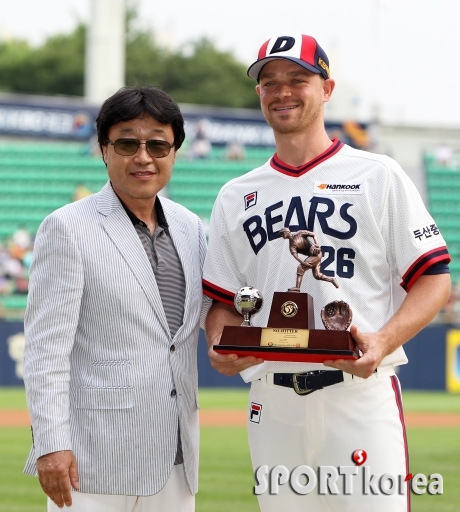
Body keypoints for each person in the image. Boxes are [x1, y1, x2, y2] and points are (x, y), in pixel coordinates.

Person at [202, 32, 451, 511]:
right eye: (269, 82)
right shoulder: (236, 194)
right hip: (271, 399)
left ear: (327, 89)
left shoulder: (378, 175)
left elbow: (434, 278)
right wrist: (221, 343)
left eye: (298, 78)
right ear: (259, 95)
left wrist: (383, 341)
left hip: (356, 391)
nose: (282, 91)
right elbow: (223, 302)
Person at [23, 86, 210, 512]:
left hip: (177, 455)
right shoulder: (67, 227)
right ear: (105, 150)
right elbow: (45, 350)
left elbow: (203, 319)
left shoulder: (190, 226)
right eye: (127, 143)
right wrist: (51, 443)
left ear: (175, 151)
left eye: (158, 144)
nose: (143, 157)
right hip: (93, 459)